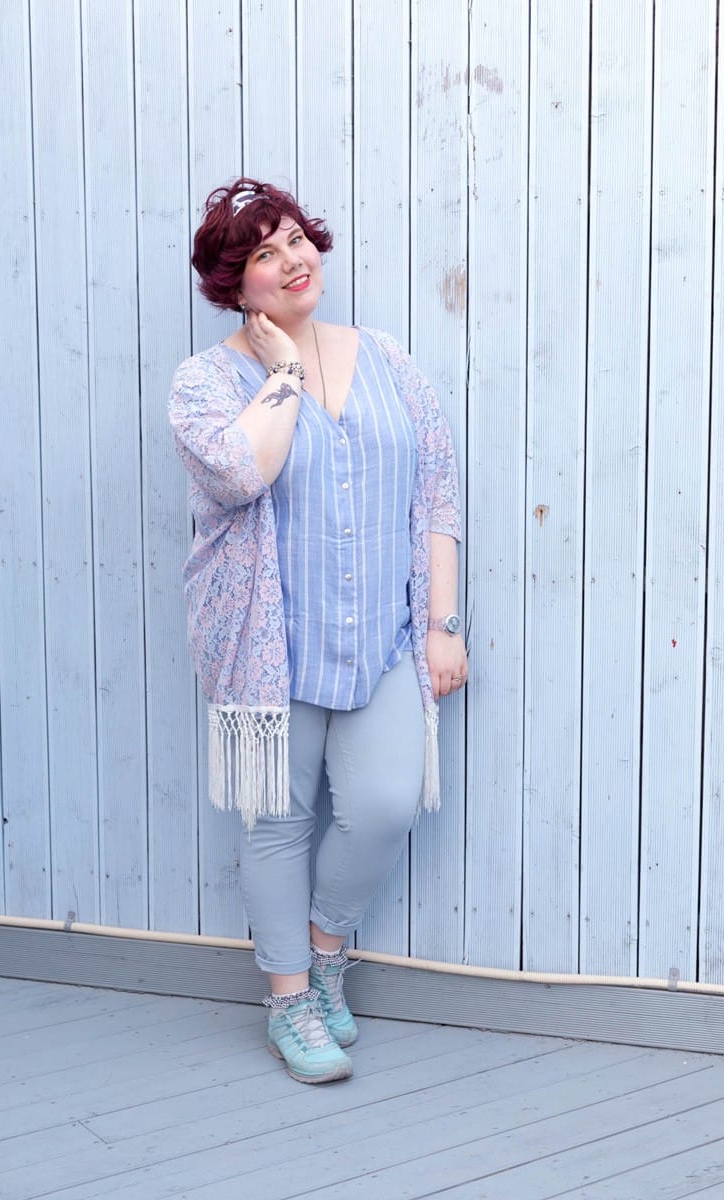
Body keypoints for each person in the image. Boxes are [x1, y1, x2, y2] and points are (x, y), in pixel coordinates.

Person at [169, 177, 466, 1085]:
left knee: (383, 805)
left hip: (382, 637)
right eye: (264, 253)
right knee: (277, 822)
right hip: (270, 644)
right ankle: (289, 1000)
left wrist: (443, 626)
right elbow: (239, 476)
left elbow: (436, 497)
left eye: (296, 238)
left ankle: (325, 953)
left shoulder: (387, 358)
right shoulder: (206, 382)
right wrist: (287, 375)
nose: (293, 260)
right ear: (235, 284)